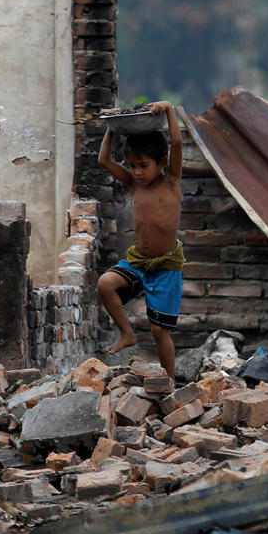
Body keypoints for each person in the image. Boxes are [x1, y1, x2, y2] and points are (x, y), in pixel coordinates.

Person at [96, 101, 184, 380]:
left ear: (161, 163)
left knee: (160, 330)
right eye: (132, 166)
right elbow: (104, 161)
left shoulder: (171, 181)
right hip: (138, 260)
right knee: (105, 284)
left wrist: (169, 110)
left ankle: (169, 380)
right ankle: (127, 332)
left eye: (143, 166)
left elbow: (178, 144)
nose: (136, 172)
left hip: (166, 267)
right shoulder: (135, 184)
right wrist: (112, 128)